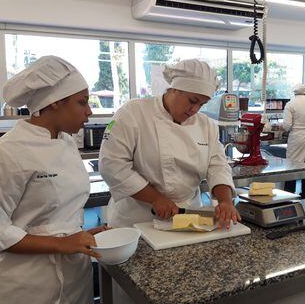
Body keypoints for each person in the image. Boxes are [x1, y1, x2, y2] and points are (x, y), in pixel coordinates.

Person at [0, 55, 109, 304]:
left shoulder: (66, 142)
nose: (89, 111)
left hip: (75, 279)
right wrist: (62, 243)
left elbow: (53, 218)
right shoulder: (5, 153)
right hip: (27, 285)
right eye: (82, 102)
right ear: (55, 103)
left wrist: (81, 235)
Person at [99, 59, 240, 229]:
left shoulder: (206, 125)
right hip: (137, 218)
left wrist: (225, 201)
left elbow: (217, 165)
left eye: (201, 104)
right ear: (174, 89)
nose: (195, 110)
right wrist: (156, 199)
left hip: (189, 216)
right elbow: (112, 165)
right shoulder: (133, 113)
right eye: (192, 100)